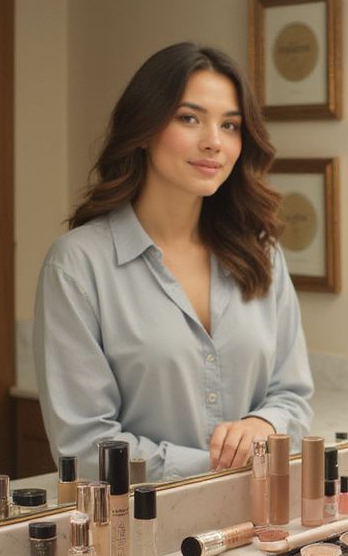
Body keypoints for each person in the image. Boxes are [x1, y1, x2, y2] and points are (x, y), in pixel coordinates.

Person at [34, 42, 313, 483]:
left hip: (260, 521)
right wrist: (219, 466)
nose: (213, 142)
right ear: (144, 129)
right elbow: (85, 445)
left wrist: (265, 426)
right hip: (141, 535)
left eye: (230, 125)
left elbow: (293, 398)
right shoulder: (77, 266)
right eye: (189, 118)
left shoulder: (263, 256)